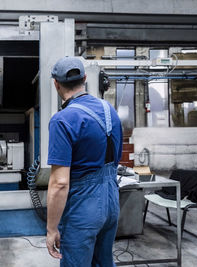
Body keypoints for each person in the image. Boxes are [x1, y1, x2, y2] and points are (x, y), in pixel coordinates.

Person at [46, 57, 123, 266]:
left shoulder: (62, 120)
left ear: (56, 84)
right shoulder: (110, 111)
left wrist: (51, 229)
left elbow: (60, 183)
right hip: (111, 202)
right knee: (104, 262)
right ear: (85, 79)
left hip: (83, 207)